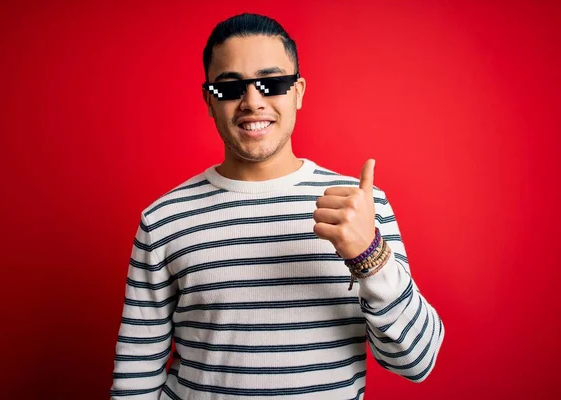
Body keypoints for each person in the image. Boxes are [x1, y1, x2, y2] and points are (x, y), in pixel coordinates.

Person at [110, 13, 444, 400]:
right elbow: (137, 369)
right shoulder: (163, 220)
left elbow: (417, 362)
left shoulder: (360, 208)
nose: (252, 102)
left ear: (298, 91)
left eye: (273, 83)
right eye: (230, 88)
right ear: (208, 100)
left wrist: (371, 257)